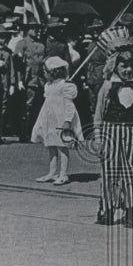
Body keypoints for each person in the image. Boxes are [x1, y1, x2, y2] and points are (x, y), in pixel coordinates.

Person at [93, 50, 133, 226]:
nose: (127, 70)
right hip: (110, 131)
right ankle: (107, 208)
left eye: (131, 66)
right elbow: (99, 114)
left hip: (131, 133)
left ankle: (131, 208)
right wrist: (98, 138)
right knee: (109, 171)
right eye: (123, 65)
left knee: (130, 171)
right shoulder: (107, 86)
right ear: (114, 66)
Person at [32, 56, 83, 185]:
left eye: (46, 72)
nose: (44, 74)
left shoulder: (66, 86)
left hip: (61, 118)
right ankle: (52, 172)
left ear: (53, 72)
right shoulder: (48, 86)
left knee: (62, 145)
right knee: (51, 144)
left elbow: (69, 106)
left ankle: (63, 174)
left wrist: (67, 121)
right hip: (49, 118)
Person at [17, 21, 48, 143]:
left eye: (38, 28)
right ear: (28, 29)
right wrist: (19, 80)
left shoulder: (41, 45)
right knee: (27, 107)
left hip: (40, 79)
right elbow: (18, 64)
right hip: (28, 80)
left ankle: (35, 133)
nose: (36, 30)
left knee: (39, 107)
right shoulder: (22, 43)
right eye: (33, 28)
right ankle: (24, 133)